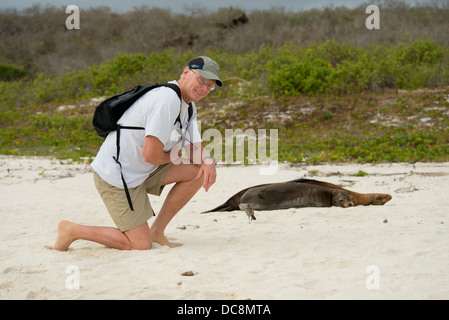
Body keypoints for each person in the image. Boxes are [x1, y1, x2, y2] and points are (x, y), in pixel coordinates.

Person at [54, 56, 222, 251]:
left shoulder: (188, 106)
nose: (204, 89)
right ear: (185, 73)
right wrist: (176, 155)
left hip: (144, 170)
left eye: (210, 86)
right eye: (202, 81)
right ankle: (71, 230)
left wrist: (208, 161)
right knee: (140, 244)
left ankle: (157, 231)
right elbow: (150, 155)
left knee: (198, 170)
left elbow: (194, 147)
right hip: (117, 176)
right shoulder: (166, 99)